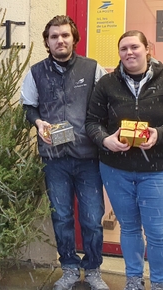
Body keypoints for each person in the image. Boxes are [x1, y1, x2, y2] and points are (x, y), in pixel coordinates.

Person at [21, 15, 109, 290]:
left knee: (93, 218)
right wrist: (37, 122)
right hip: (54, 158)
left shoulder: (93, 69)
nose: (60, 40)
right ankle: (69, 267)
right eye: (54, 36)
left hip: (88, 158)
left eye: (65, 35)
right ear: (47, 42)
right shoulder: (36, 72)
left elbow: (106, 106)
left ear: (74, 38)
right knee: (61, 216)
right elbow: (28, 106)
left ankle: (93, 269)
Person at [86, 30, 163, 290]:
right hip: (116, 169)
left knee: (157, 233)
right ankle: (133, 280)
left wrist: (158, 134)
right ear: (119, 54)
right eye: (124, 49)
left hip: (156, 170)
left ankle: (159, 281)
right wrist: (105, 140)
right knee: (129, 228)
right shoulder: (107, 83)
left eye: (134, 47)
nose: (129, 53)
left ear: (147, 49)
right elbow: (92, 122)